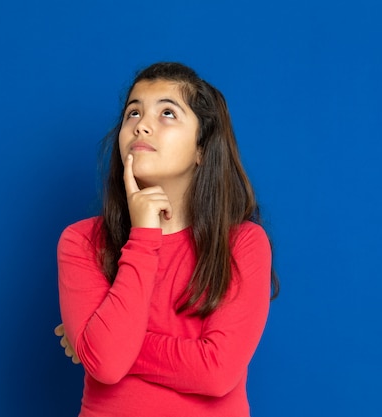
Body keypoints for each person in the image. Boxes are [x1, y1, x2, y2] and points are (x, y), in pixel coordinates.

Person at [55, 62, 279, 417]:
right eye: (133, 112)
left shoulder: (243, 243)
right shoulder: (81, 241)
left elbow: (216, 373)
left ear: (201, 149)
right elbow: (108, 363)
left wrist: (92, 340)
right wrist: (144, 235)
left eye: (167, 113)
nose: (141, 124)